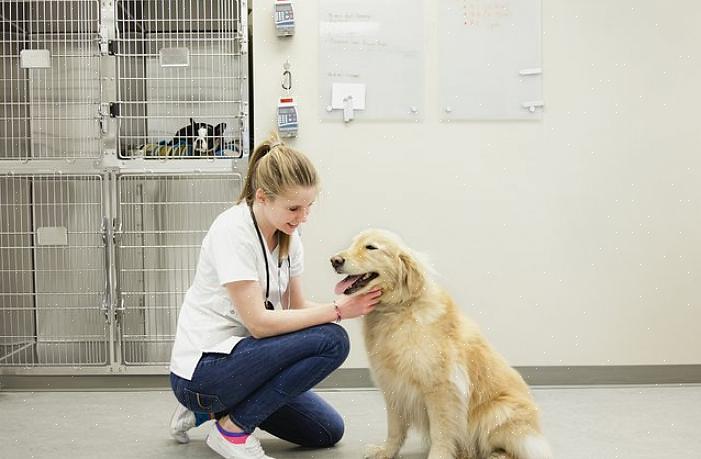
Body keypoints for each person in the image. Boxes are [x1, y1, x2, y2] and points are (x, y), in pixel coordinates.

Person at [168, 133, 381, 459]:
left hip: (246, 364)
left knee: (326, 431)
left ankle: (211, 413)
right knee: (334, 340)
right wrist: (338, 311)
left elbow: (296, 307)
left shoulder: (289, 237)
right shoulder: (232, 232)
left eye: (309, 207)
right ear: (262, 197)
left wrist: (351, 305)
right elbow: (259, 325)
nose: (303, 217)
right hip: (204, 373)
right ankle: (230, 429)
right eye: (294, 208)